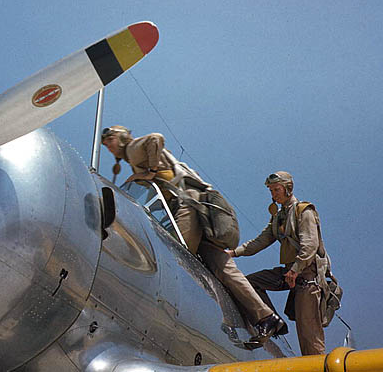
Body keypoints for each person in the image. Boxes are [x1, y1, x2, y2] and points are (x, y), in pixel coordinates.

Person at [101, 126, 285, 345]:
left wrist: (148, 170)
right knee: (223, 267)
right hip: (198, 212)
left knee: (173, 257)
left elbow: (155, 138)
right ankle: (266, 317)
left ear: (119, 137)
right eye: (105, 145)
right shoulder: (132, 156)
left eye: (109, 141)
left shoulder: (132, 149)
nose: (109, 147)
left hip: (187, 208)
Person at [225, 171, 329, 355]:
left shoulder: (304, 211)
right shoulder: (278, 218)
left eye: (277, 189)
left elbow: (310, 245)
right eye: (271, 191)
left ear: (288, 188)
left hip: (307, 278)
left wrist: (296, 269)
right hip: (290, 273)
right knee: (249, 284)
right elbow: (260, 241)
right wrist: (234, 252)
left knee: (309, 338)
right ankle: (271, 321)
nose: (274, 194)